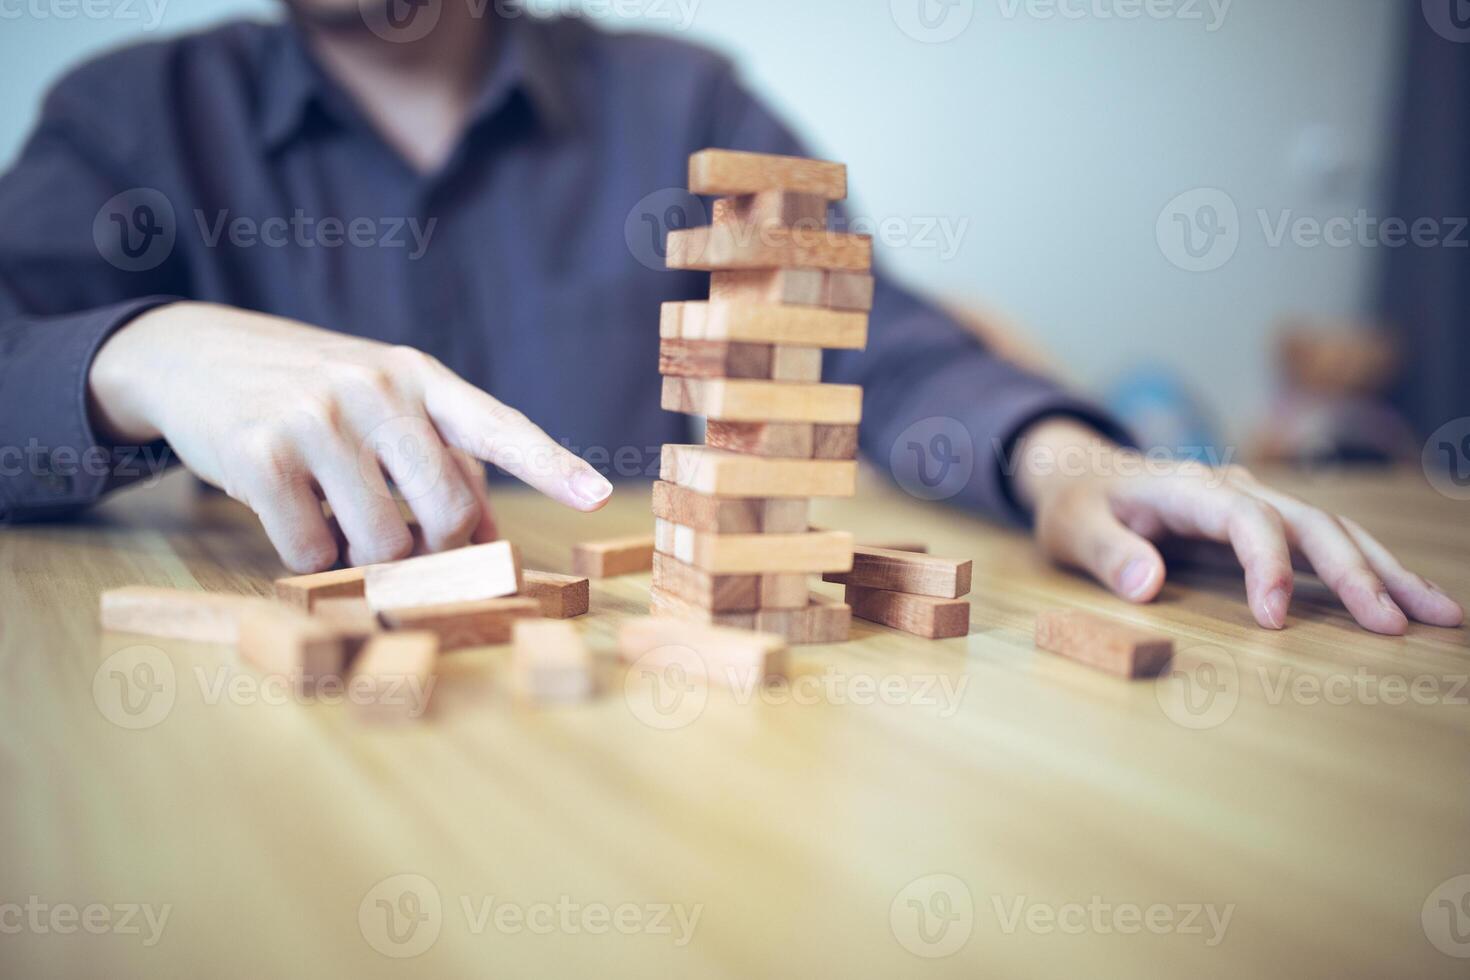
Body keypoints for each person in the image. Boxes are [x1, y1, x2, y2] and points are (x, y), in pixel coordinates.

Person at [0, 0, 1459, 636]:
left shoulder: (683, 100)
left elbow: (883, 353)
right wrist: (131, 352)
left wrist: (1067, 459)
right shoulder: (127, 119)